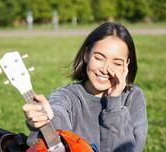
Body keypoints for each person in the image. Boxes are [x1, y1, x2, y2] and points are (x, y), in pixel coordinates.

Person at [23, 22, 148, 152]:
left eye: (117, 63)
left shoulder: (134, 97)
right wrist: (46, 119)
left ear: (126, 64)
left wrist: (114, 103)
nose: (105, 70)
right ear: (86, 54)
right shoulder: (66, 96)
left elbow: (130, 149)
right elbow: (57, 115)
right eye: (99, 58)